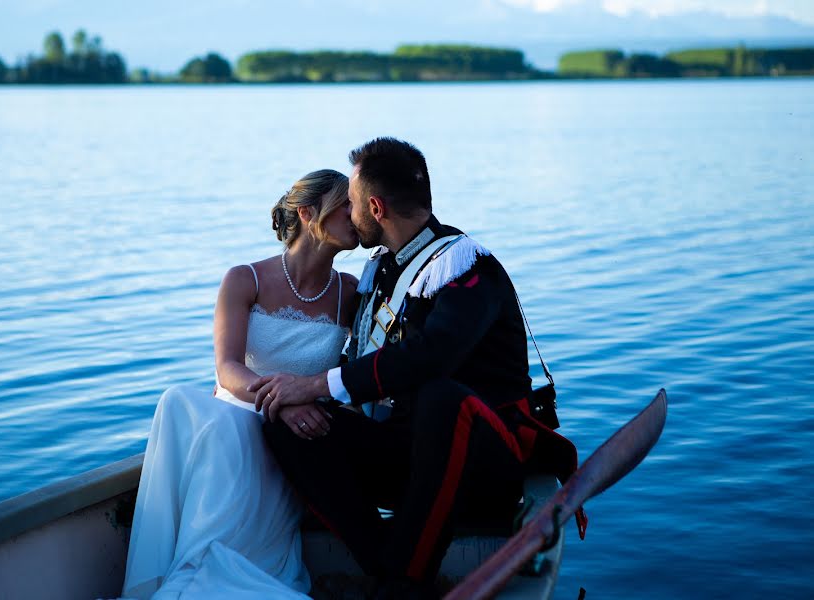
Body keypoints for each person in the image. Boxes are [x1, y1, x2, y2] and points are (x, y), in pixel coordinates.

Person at [253, 138, 586, 597]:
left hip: (480, 463)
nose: (348, 216)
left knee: (440, 394)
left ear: (374, 207)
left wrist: (314, 384)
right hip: (409, 457)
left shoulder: (466, 265)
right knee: (282, 423)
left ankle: (405, 579)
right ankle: (386, 561)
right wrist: (297, 399)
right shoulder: (381, 270)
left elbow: (432, 356)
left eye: (350, 204)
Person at [121, 169, 360, 599]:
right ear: (309, 213)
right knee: (182, 403)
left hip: (294, 438)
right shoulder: (244, 279)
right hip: (241, 414)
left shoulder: (351, 292)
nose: (355, 212)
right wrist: (283, 400)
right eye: (345, 204)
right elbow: (228, 367)